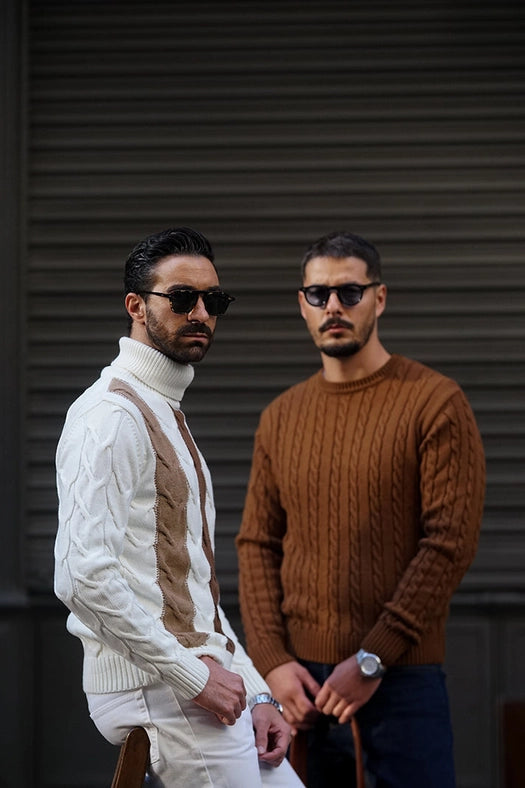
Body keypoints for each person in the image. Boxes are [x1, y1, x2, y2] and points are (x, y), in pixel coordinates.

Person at [54, 227, 305, 788]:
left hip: (189, 678)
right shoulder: (111, 416)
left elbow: (192, 594)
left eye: (213, 300)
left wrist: (258, 692)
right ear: (136, 306)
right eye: (182, 298)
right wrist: (192, 676)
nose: (200, 313)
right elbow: (81, 576)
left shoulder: (162, 410)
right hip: (158, 687)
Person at [236, 230, 486, 788]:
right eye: (318, 294)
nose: (334, 307)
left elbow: (448, 543)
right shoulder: (281, 416)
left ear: (380, 298)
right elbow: (257, 544)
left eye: (350, 292)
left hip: (402, 682)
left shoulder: (435, 402)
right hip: (301, 692)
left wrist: (373, 657)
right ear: (302, 303)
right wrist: (272, 662)